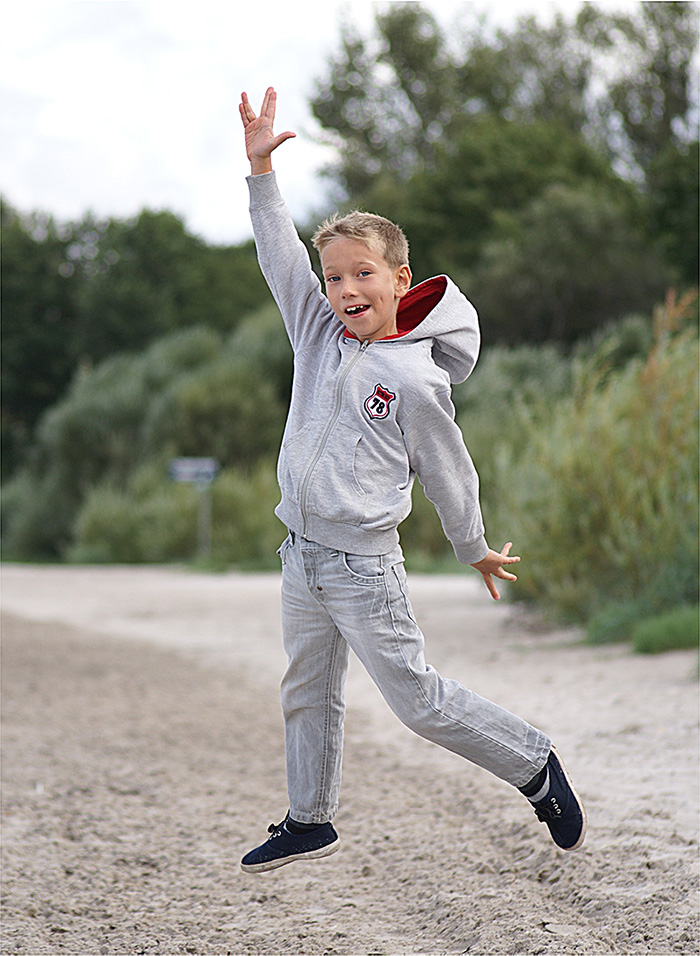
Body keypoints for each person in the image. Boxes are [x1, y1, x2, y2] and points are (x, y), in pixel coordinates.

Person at [238, 87, 586, 874]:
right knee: (307, 691)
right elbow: (277, 252)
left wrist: (472, 546)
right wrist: (261, 172)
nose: (345, 292)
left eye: (362, 275)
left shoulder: (417, 379)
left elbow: (446, 467)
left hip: (364, 566)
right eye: (333, 279)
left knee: (417, 702)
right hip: (301, 554)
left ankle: (533, 763)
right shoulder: (316, 330)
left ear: (400, 277)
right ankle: (308, 818)